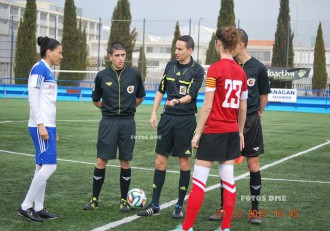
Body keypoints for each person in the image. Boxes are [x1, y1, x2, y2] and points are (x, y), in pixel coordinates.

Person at [172, 26, 247, 231]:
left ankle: (186, 228)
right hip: (232, 132)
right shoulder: (241, 72)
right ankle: (226, 228)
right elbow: (243, 107)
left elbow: (207, 105)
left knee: (199, 183)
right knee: (229, 182)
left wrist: (197, 133)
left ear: (218, 44)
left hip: (213, 131)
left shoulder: (214, 69)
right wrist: (240, 131)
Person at [137, 35, 204, 219]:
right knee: (159, 161)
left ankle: (179, 205)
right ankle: (155, 204)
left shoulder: (197, 70)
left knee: (183, 162)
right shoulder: (170, 66)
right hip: (167, 119)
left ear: (190, 51)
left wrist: (177, 101)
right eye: (176, 48)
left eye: (180, 49)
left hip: (185, 120)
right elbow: (161, 89)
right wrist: (153, 112)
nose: (176, 52)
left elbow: (191, 95)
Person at [208, 28, 271, 224]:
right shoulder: (228, 65)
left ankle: (255, 211)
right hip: (228, 120)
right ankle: (222, 209)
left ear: (240, 45)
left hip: (251, 122)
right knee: (225, 165)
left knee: (253, 165)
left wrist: (257, 113)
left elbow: (264, 96)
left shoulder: (258, 68)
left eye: (232, 43)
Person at [83, 42, 146, 212]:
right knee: (101, 159)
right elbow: (96, 99)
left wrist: (128, 109)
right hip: (108, 122)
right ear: (110, 57)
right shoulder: (102, 76)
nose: (120, 59)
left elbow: (140, 97)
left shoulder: (134, 74)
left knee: (125, 160)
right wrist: (108, 110)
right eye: (117, 55)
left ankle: (124, 201)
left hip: (128, 123)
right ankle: (94, 199)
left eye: (123, 55)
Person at [18, 36, 63, 222]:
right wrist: (41, 125)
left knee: (41, 166)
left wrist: (53, 127)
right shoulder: (39, 69)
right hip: (40, 126)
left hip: (47, 125)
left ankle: (39, 207)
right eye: (59, 52)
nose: (61, 56)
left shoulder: (47, 71)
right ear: (49, 52)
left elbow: (47, 102)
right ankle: (26, 206)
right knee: (50, 166)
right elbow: (32, 98)